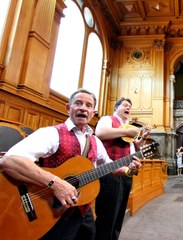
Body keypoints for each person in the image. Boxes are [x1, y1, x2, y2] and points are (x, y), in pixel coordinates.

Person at [0, 89, 141, 240]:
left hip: (82, 210)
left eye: (88, 105)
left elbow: (107, 165)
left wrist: (127, 170)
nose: (83, 108)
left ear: (93, 113)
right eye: (78, 103)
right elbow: (10, 160)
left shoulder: (95, 141)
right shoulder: (51, 133)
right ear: (68, 108)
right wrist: (55, 184)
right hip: (50, 210)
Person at [94, 97, 151, 240]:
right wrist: (126, 132)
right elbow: (100, 133)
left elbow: (134, 147)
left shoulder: (127, 126)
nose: (128, 108)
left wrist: (142, 138)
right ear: (116, 107)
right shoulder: (108, 119)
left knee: (119, 215)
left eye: (130, 107)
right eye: (125, 105)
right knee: (108, 216)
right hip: (110, 173)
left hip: (127, 173)